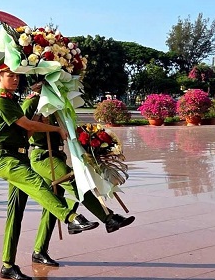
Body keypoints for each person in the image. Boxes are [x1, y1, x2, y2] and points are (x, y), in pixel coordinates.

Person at [0, 59, 99, 280]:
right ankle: (71, 217)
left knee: (15, 213)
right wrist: (55, 129)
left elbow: (26, 133)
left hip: (20, 156)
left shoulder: (13, 101)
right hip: (5, 159)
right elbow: (29, 125)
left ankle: (7, 265)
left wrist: (42, 118)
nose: (15, 79)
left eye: (17, 75)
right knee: (38, 184)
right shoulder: (1, 102)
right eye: (10, 75)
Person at [22, 89, 135, 266]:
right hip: (43, 156)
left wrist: (91, 139)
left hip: (58, 155)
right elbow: (24, 131)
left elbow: (68, 127)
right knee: (75, 182)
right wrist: (39, 117)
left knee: (53, 205)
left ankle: (40, 250)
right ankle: (108, 218)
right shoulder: (32, 103)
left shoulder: (58, 103)